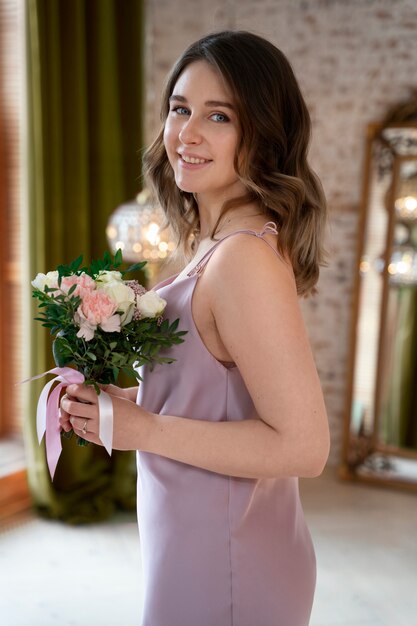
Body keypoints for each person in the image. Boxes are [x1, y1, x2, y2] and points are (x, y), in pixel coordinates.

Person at [60, 30, 330, 626]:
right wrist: (135, 402)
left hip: (229, 563)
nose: (187, 133)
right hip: (198, 543)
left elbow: (304, 447)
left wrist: (146, 428)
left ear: (263, 135)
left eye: (219, 115)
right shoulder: (214, 245)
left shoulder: (243, 259)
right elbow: (218, 395)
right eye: (180, 108)